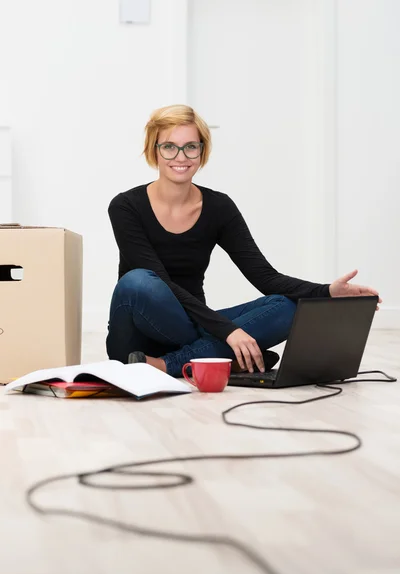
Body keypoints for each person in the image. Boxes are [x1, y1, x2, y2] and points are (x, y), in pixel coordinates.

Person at [106, 104, 381, 378]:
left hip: (185, 329)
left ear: (202, 151)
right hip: (135, 338)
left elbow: (265, 276)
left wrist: (327, 291)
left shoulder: (219, 207)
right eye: (169, 146)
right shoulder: (126, 206)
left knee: (286, 305)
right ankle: (217, 354)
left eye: (191, 146)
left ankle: (169, 364)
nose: (181, 156)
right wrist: (229, 331)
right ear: (154, 150)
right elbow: (162, 282)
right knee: (139, 281)